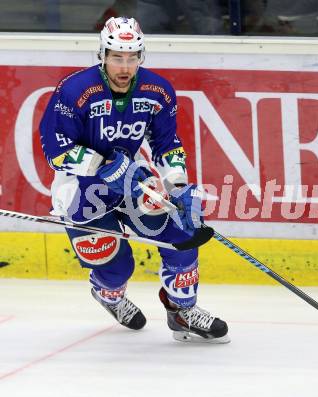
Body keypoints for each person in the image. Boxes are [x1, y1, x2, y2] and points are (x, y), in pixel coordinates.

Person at [39, 16, 229, 344]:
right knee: (116, 267)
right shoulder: (75, 90)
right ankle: (108, 295)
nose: (124, 66)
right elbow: (55, 149)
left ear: (141, 56)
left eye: (132, 57)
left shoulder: (157, 90)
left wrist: (177, 184)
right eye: (117, 57)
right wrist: (101, 165)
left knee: (182, 233)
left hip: (131, 179)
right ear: (102, 55)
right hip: (81, 188)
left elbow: (166, 144)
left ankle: (181, 309)